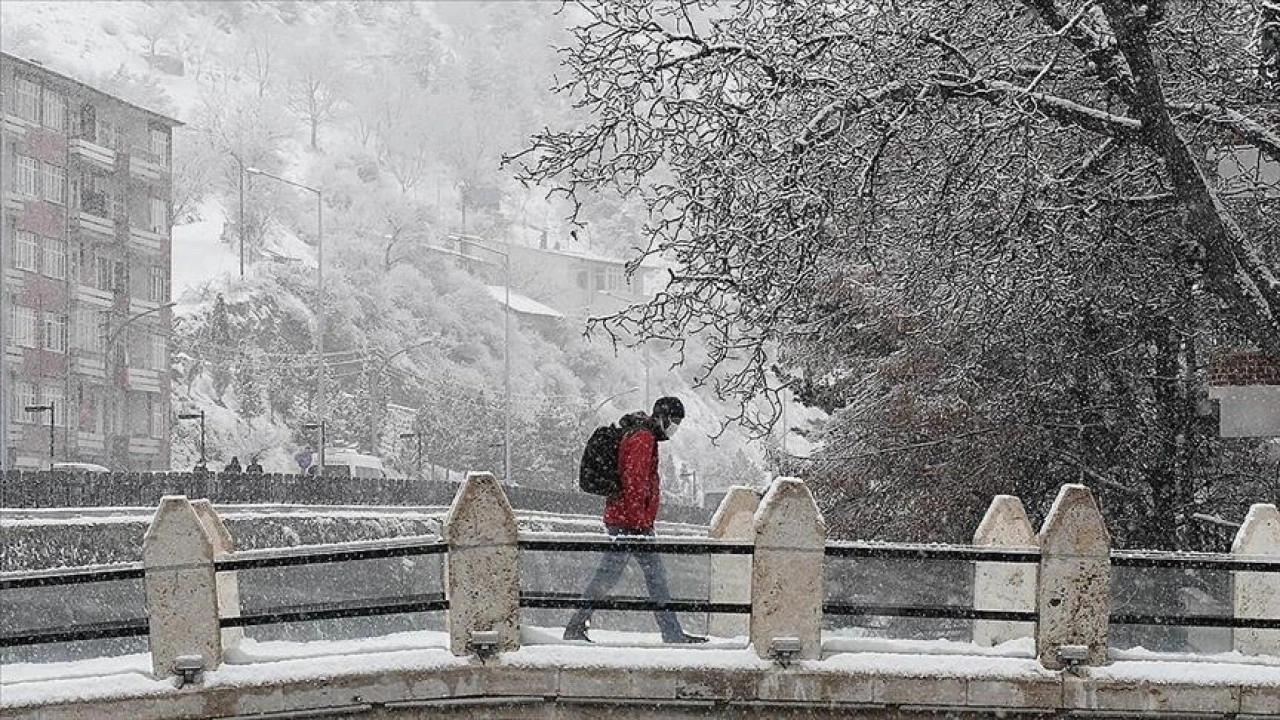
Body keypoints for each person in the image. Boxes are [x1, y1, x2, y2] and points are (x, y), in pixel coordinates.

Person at [563, 396, 706, 644]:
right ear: (660, 416)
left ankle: (670, 632)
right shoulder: (643, 437)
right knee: (639, 578)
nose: (674, 427)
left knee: (621, 577)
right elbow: (635, 482)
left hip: (629, 520)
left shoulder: (642, 434)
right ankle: (670, 633)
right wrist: (640, 521)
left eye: (678, 422)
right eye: (673, 420)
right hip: (630, 522)